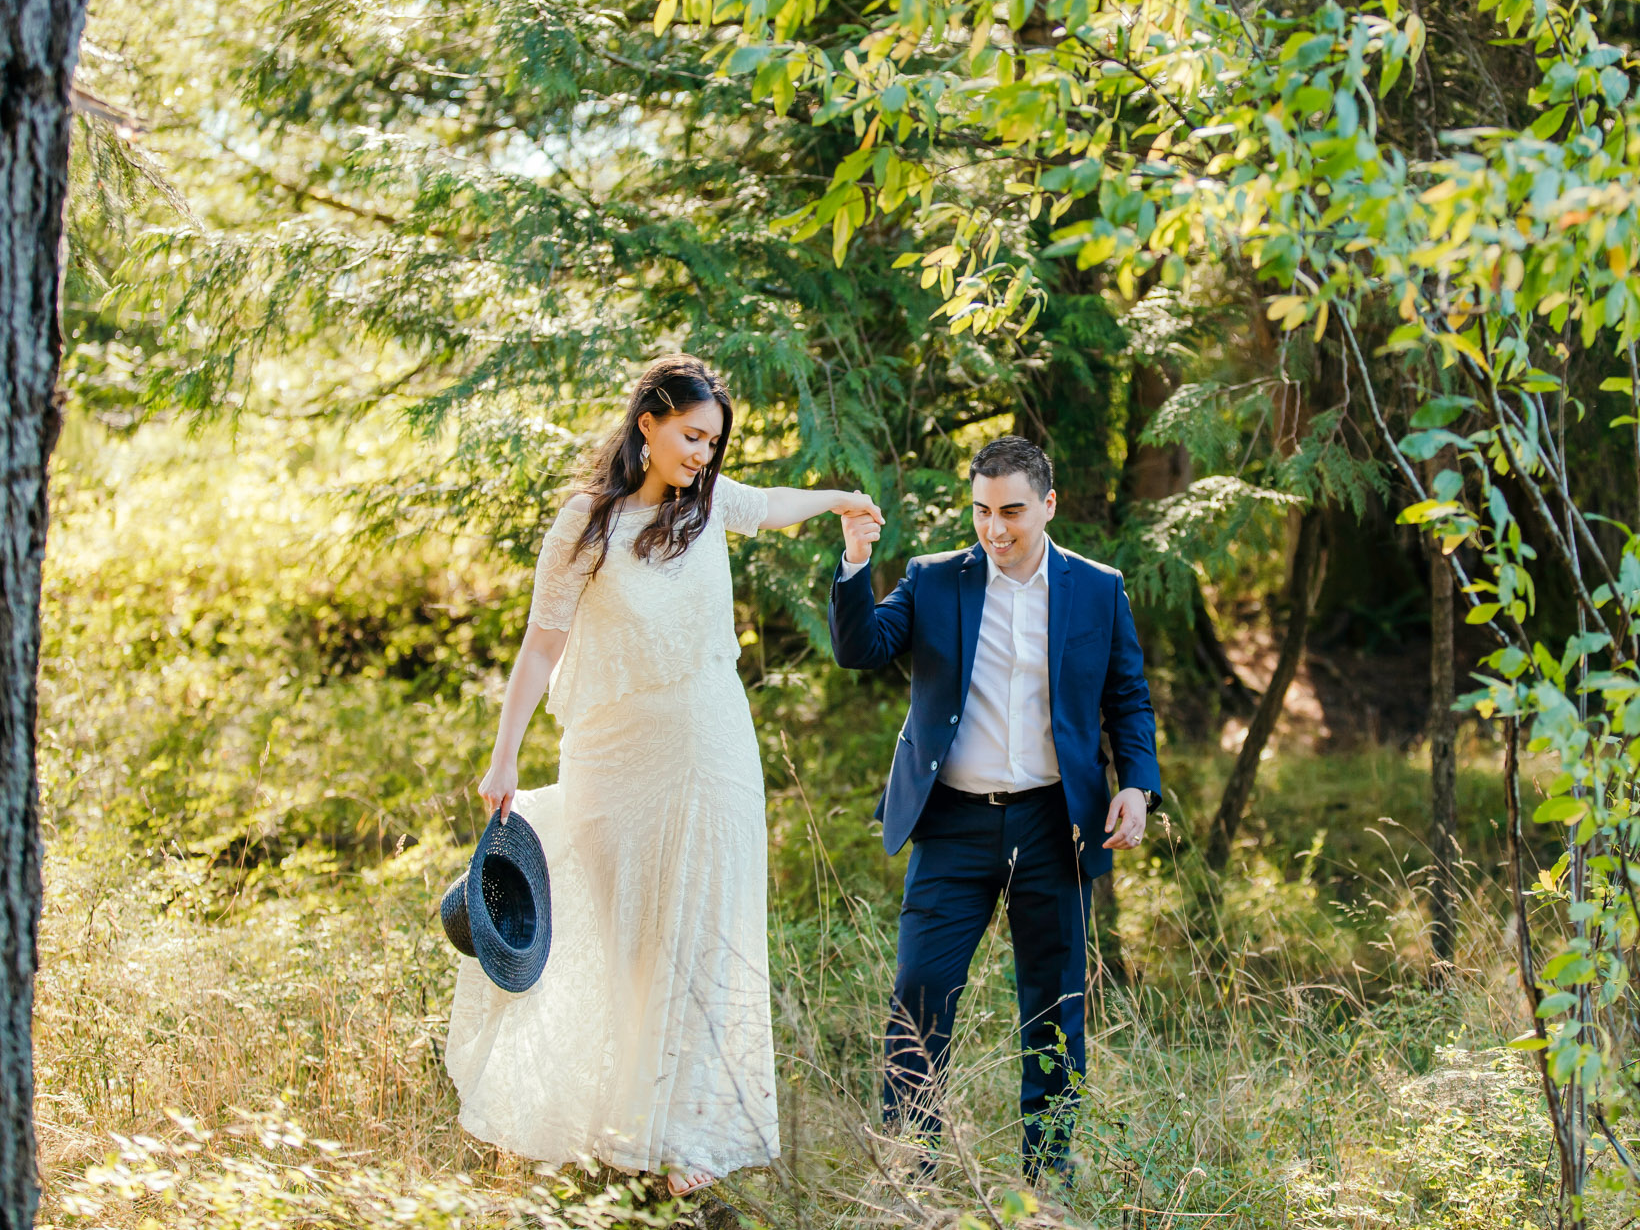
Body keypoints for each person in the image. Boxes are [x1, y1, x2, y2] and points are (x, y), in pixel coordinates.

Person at [446, 355, 881, 1197]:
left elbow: (771, 504)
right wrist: (504, 752)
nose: (702, 455)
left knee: (705, 933)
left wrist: (837, 503)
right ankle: (624, 1121)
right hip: (616, 761)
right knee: (633, 943)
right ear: (647, 423)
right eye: (690, 435)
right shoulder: (588, 523)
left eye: (713, 443)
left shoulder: (711, 506)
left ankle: (684, 1138)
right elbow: (543, 643)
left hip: (713, 749)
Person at [827, 434, 1162, 1181]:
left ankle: (1047, 1179)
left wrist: (1137, 783)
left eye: (1011, 510)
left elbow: (1127, 698)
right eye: (981, 510)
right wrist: (855, 558)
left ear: (1047, 503)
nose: (995, 527)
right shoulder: (935, 578)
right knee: (920, 994)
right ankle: (912, 1173)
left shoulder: (1099, 589)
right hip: (952, 825)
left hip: (1054, 824)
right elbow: (862, 648)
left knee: (1054, 1007)